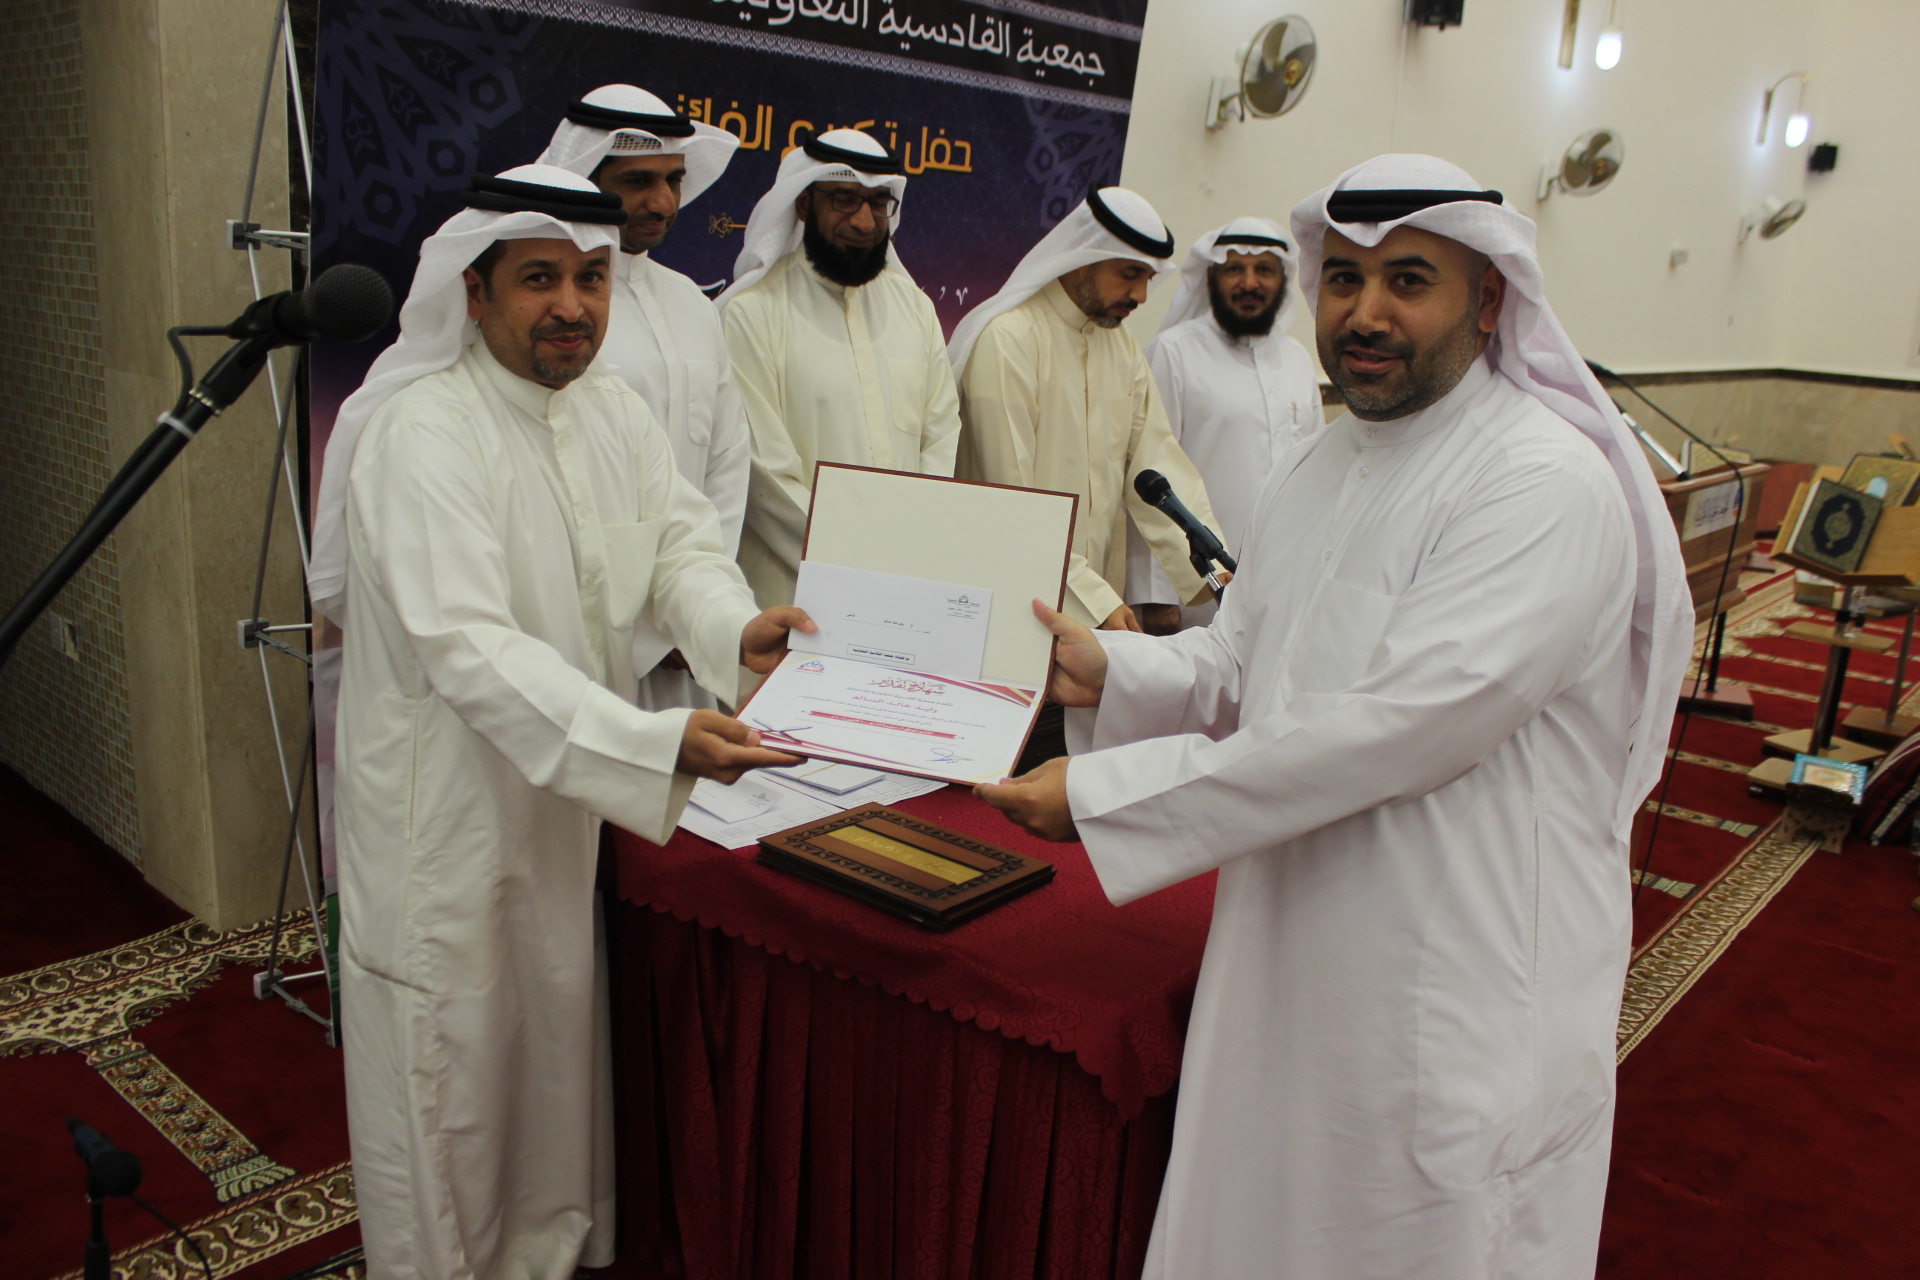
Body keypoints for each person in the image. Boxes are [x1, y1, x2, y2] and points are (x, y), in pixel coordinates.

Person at [977, 155, 1691, 1278]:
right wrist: (1107, 668)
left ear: (1489, 301)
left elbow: (1403, 726)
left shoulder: (1541, 481)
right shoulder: (1320, 462)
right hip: (1288, 945)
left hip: (1449, 979)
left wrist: (1107, 792)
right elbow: (1246, 658)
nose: (1365, 313)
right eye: (1346, 278)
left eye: (1409, 280)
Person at [308, 165, 811, 1280]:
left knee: (545, 1067)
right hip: (442, 825)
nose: (572, 305)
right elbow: (470, 649)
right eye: (539, 279)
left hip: (557, 807)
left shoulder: (613, 414)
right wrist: (652, 742)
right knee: (449, 1087)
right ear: (474, 292)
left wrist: (737, 631)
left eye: (592, 278)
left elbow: (680, 547)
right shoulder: (422, 435)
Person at [538, 84, 752, 710]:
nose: (663, 201)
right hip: (577, 633)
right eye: (637, 181)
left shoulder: (691, 301)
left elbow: (726, 462)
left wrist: (698, 610)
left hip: (688, 627)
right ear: (584, 175)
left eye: (674, 180)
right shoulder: (551, 316)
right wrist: (649, 628)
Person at [948, 186, 1227, 641]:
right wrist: (1093, 599)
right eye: (1130, 274)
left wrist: (1214, 564)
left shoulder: (1122, 349)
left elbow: (1156, 463)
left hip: (1095, 606)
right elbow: (1013, 499)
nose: (1141, 295)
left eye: (1148, 278)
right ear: (1082, 259)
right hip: (1008, 600)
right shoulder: (1008, 341)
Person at [718, 129, 961, 608]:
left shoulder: (914, 308)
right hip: (794, 594)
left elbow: (941, 437)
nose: (864, 221)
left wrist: (913, 548)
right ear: (804, 203)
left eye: (878, 202)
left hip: (905, 588)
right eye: (844, 200)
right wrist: (863, 562)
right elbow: (766, 476)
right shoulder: (751, 314)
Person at [1133, 218, 1324, 628]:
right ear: (1211, 277)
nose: (1249, 282)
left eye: (1264, 270)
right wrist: (1156, 595)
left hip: (1284, 583)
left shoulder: (1297, 359)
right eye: (1235, 269)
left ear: (1283, 279)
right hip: (1196, 593)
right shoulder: (1174, 351)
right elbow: (1148, 471)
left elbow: (1319, 473)